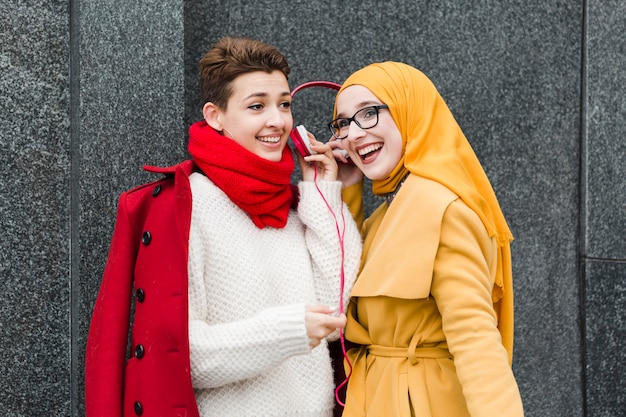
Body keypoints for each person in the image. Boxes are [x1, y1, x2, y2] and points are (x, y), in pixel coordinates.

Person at [85, 37, 362, 417]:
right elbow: (183, 356)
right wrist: (288, 330)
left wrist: (323, 191)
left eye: (284, 104)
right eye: (256, 106)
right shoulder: (184, 206)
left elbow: (334, 316)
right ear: (215, 116)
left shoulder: (301, 205)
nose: (277, 121)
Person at [327, 62, 524, 416]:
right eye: (343, 123)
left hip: (421, 401)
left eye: (369, 113)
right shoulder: (390, 212)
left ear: (409, 109)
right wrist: (348, 189)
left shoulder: (439, 207)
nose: (354, 134)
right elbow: (344, 281)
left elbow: (474, 339)